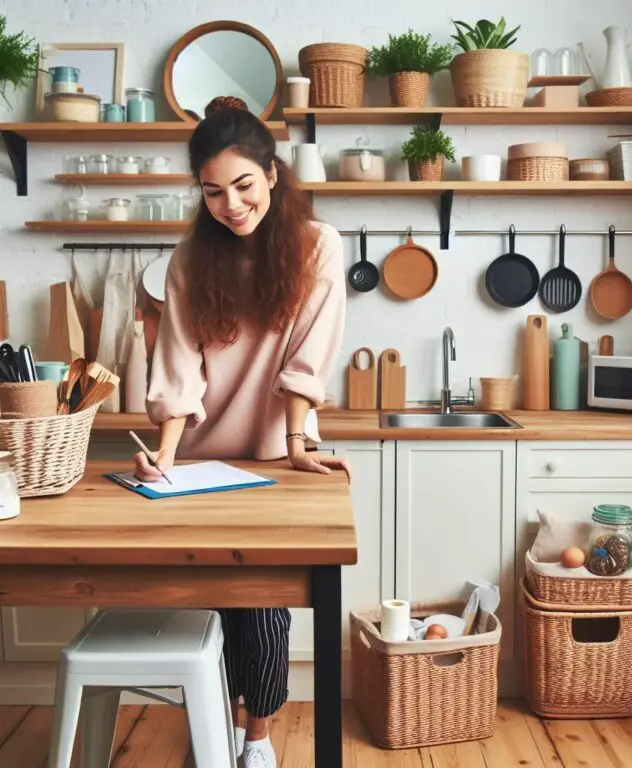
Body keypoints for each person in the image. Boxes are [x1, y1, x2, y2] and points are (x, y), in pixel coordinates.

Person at [134, 95, 350, 768]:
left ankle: (254, 740)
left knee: (261, 608)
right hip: (201, 464)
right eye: (213, 192)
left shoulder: (318, 247)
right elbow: (177, 367)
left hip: (273, 460)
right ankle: (221, 727)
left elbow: (305, 362)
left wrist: (295, 446)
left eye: (243, 185)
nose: (230, 204)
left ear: (273, 174)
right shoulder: (189, 260)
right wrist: (164, 456)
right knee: (215, 605)